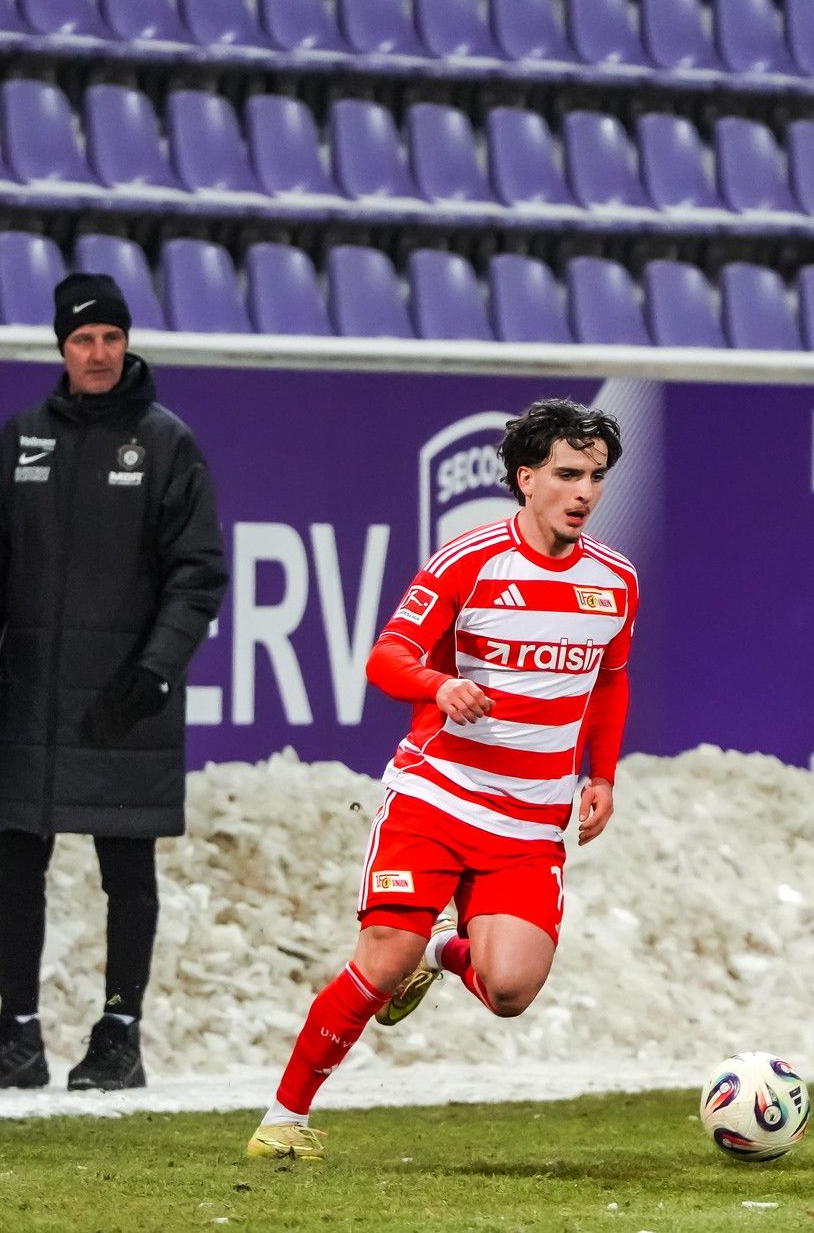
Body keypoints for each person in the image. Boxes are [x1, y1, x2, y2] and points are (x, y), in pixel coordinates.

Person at [246, 399, 639, 1160]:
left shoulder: (616, 581)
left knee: (511, 991)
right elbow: (386, 656)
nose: (584, 491)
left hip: (528, 825)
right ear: (527, 479)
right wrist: (437, 685)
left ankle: (442, 953)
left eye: (595, 476)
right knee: (383, 953)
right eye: (567, 473)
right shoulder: (470, 558)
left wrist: (604, 775)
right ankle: (282, 1120)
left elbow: (613, 680)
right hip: (437, 796)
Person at [0, 272, 227, 1092]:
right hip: (33, 689)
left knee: (127, 868)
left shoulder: (166, 441)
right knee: (15, 860)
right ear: (61, 348)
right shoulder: (23, 436)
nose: (98, 353)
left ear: (127, 342)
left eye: (110, 337)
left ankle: (119, 1034)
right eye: (82, 339)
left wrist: (157, 667)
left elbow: (198, 571)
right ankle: (17, 1035)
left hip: (123, 695)